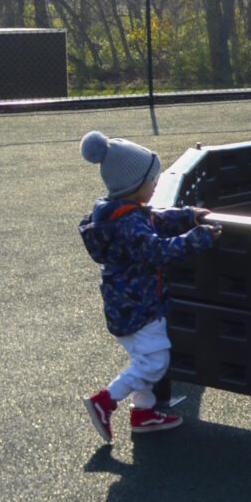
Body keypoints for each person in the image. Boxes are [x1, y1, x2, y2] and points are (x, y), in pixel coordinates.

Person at [77, 130, 220, 442]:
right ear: (133, 185)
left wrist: (189, 215)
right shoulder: (129, 223)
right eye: (151, 181)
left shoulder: (118, 213)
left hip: (127, 304)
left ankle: (143, 413)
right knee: (156, 363)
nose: (156, 185)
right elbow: (157, 250)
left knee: (143, 360)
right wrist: (199, 237)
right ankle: (105, 401)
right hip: (139, 306)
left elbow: (156, 218)